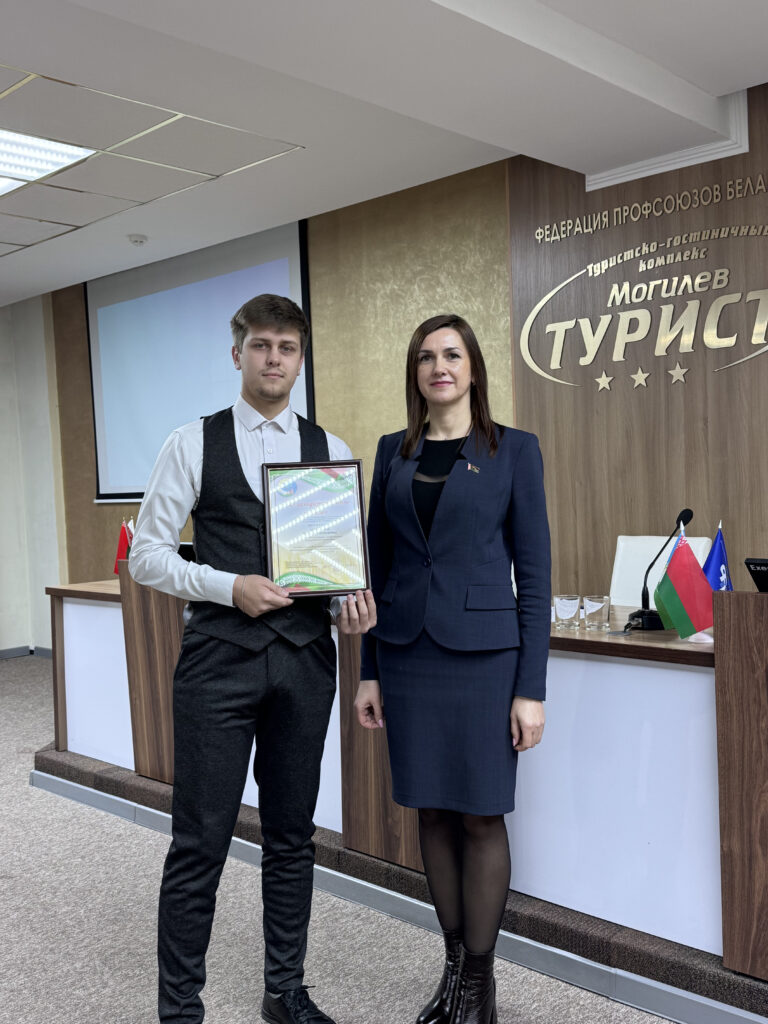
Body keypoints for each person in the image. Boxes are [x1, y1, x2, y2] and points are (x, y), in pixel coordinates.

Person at [130, 293, 374, 1024]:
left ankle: (284, 993)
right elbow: (147, 555)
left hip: (306, 662)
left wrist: (350, 605)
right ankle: (180, 1010)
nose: (275, 358)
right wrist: (226, 585)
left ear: (300, 359)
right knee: (200, 839)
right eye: (262, 345)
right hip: (218, 660)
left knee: (293, 837)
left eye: (287, 347)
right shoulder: (190, 442)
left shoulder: (328, 448)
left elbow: (335, 569)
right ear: (237, 354)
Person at [345, 313, 551, 1024]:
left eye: (452, 355)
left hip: (487, 661)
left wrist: (530, 689)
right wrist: (369, 669)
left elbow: (536, 577)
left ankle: (478, 985)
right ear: (416, 372)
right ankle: (456, 967)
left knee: (482, 816)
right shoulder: (392, 452)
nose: (439, 367)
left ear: (472, 368)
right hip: (406, 655)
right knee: (430, 810)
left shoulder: (513, 450)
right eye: (427, 356)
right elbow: (376, 570)